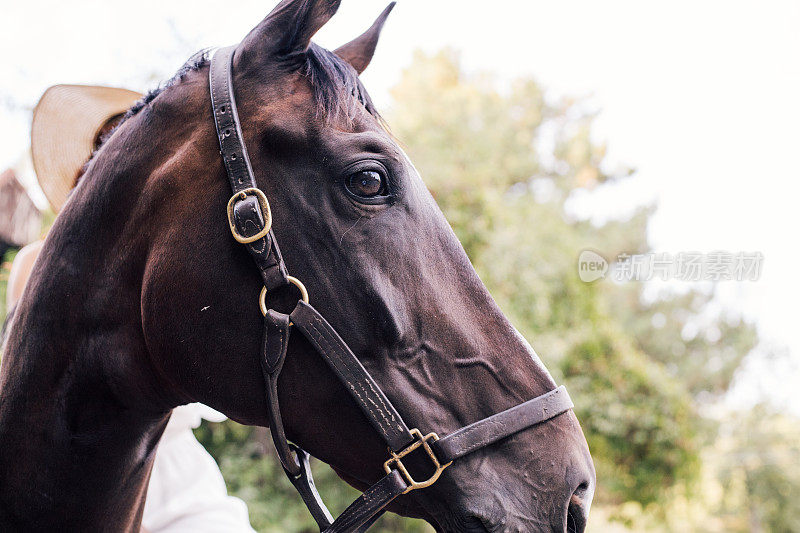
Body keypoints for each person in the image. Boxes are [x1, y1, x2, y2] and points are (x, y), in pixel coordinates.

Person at [5, 84, 255, 533]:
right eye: (103, 148)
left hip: (170, 475)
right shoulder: (37, 264)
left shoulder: (178, 272)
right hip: (60, 470)